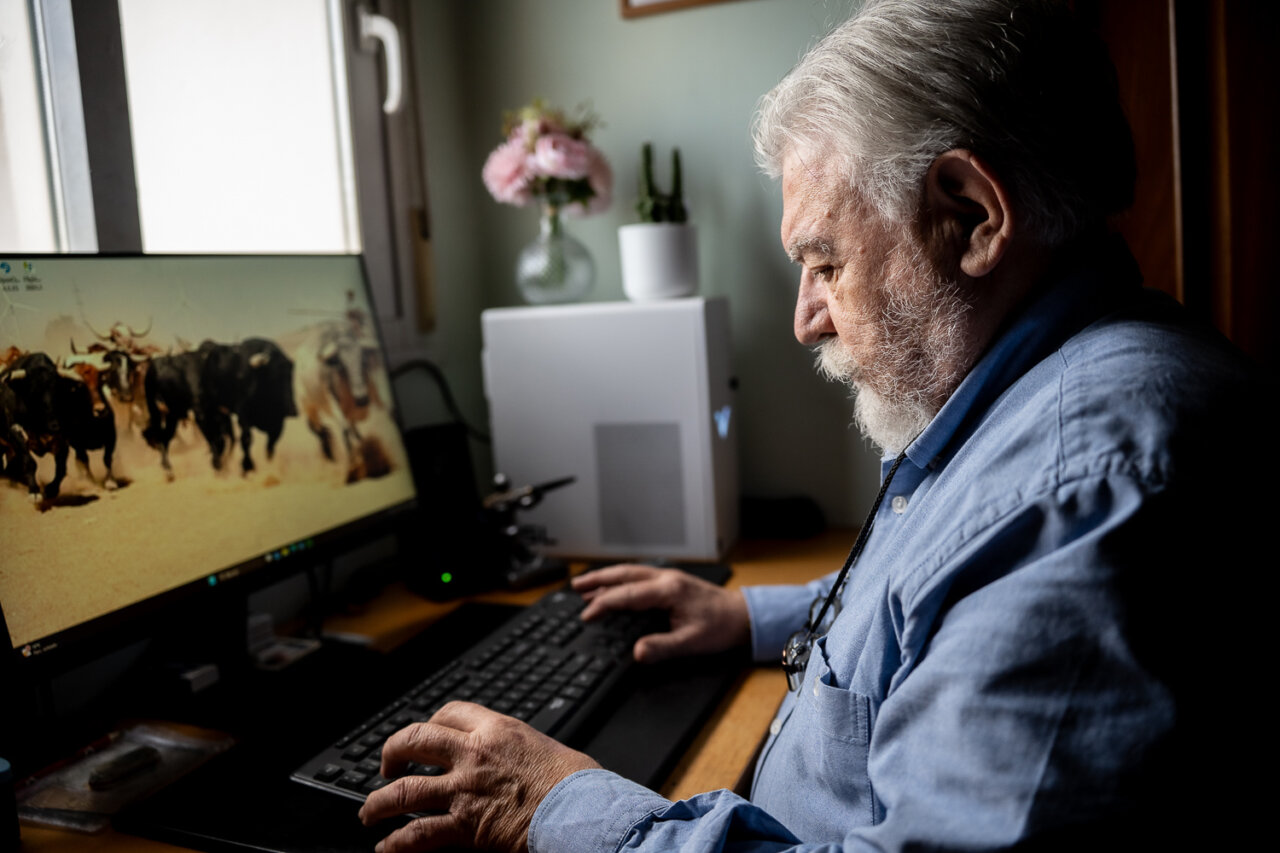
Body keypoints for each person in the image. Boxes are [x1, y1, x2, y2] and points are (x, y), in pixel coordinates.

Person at [359, 0, 1262, 850]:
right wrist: (745, 612)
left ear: (972, 216)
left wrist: (559, 807)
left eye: (824, 261)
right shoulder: (1052, 409)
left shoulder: (1084, 490)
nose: (804, 318)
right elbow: (945, 590)